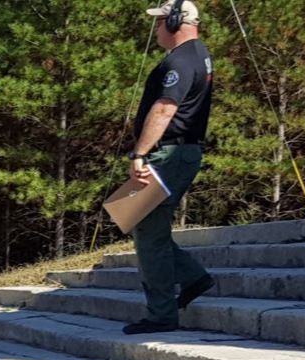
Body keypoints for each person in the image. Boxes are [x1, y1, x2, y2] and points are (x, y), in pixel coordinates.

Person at [124, 0, 216, 335]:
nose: (156, 28)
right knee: (150, 228)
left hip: (168, 155)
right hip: (179, 153)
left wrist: (139, 153)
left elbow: (165, 109)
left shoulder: (180, 60)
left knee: (147, 232)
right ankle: (194, 277)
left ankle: (161, 314)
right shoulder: (199, 54)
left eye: (161, 21)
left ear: (177, 21)